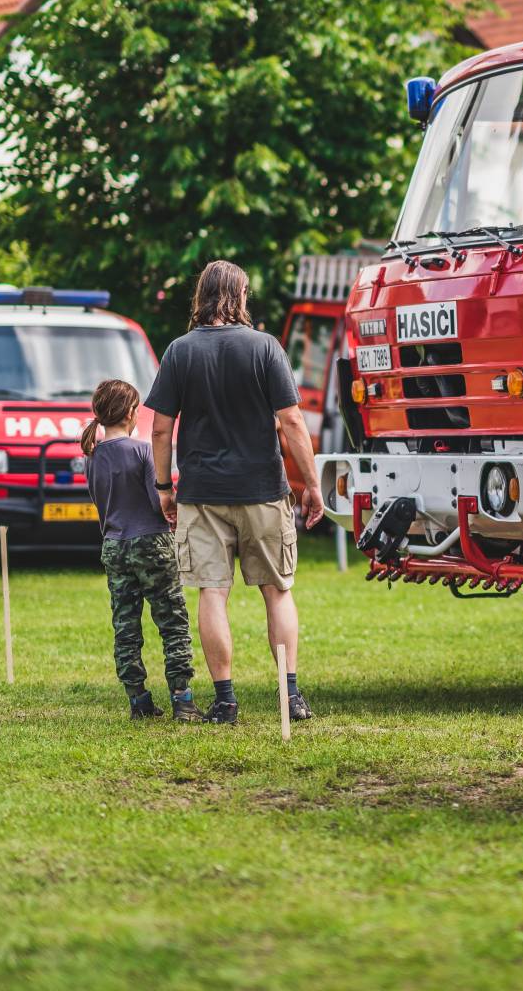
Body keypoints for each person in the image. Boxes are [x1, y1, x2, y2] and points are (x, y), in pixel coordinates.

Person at [147, 260, 325, 725]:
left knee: (213, 593)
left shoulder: (180, 351)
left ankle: (225, 701)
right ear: (239, 295)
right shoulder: (265, 347)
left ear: (202, 296)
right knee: (277, 591)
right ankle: (290, 696)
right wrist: (312, 485)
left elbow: (161, 430)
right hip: (262, 489)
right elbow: (292, 422)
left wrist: (164, 487)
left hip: (202, 493)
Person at [80, 378, 204, 723]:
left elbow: (100, 505)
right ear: (130, 413)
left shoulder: (92, 457)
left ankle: (138, 700)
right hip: (152, 543)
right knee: (172, 621)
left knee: (125, 625)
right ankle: (183, 700)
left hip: (114, 545)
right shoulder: (142, 451)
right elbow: (157, 502)